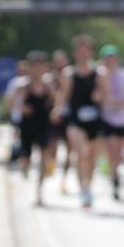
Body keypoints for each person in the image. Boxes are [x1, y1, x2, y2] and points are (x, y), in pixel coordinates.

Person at [53, 35, 107, 208]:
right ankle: (82, 189)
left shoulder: (100, 73)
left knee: (91, 157)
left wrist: (100, 96)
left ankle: (88, 186)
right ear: (75, 53)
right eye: (80, 50)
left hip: (95, 119)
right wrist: (57, 109)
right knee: (81, 153)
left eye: (86, 50)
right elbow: (63, 95)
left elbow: (106, 95)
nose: (83, 54)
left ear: (91, 52)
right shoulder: (69, 74)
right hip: (75, 120)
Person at [11, 51, 55, 205]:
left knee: (43, 158)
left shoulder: (48, 85)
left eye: (40, 65)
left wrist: (54, 110)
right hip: (27, 125)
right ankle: (24, 168)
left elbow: (56, 101)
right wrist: (21, 109)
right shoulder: (23, 85)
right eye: (34, 65)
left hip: (43, 124)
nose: (37, 69)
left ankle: (39, 193)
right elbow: (11, 103)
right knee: (26, 158)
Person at [98, 44, 124, 200]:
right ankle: (114, 179)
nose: (110, 61)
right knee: (111, 148)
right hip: (107, 119)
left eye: (112, 58)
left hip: (123, 119)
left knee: (118, 152)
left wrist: (119, 102)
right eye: (107, 58)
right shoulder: (100, 76)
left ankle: (114, 173)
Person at [49, 49, 73, 192]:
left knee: (70, 150)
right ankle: (51, 170)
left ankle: (64, 180)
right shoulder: (50, 78)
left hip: (69, 116)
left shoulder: (72, 75)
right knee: (52, 148)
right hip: (55, 116)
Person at [3, 59, 30, 166]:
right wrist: (9, 109)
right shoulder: (13, 83)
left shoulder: (30, 81)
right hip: (16, 114)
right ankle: (17, 154)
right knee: (16, 136)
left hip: (27, 114)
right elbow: (9, 98)